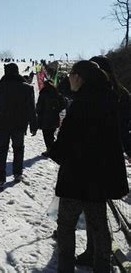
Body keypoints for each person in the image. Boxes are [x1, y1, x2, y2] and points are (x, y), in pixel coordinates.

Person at [46, 61, 129, 272]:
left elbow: (65, 142)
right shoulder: (109, 100)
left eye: (72, 74)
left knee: (66, 227)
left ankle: (65, 268)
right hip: (98, 179)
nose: (69, 78)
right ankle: (102, 268)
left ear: (80, 77)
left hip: (76, 178)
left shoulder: (82, 103)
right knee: (99, 227)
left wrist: (55, 152)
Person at [0, 63, 38, 187]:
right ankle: (17, 173)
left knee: (1, 150)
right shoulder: (27, 88)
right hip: (19, 124)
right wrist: (33, 124)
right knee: (18, 149)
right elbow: (31, 108)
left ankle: (0, 179)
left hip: (1, 124)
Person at [36, 80, 66, 151]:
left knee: (46, 135)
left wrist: (38, 113)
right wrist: (57, 110)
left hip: (45, 118)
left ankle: (49, 150)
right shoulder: (57, 93)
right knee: (51, 134)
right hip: (55, 117)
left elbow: (39, 106)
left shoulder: (43, 93)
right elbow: (63, 104)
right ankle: (52, 149)